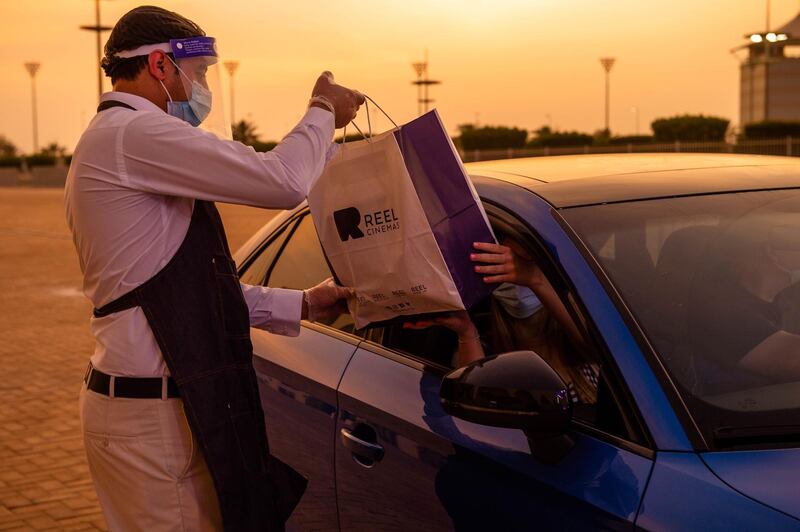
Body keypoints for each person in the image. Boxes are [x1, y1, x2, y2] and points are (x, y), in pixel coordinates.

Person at [64, 6, 364, 530]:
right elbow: (283, 182)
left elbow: (185, 291)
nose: (201, 88)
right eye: (198, 74)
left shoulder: (121, 139)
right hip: (151, 417)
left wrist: (304, 303)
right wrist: (321, 109)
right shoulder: (133, 135)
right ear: (160, 65)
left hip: (151, 409)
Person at [406, 238, 598, 404]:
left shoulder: (584, 347)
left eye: (523, 264)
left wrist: (535, 279)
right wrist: (466, 332)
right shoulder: (486, 351)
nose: (517, 277)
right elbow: (477, 402)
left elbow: (598, 348)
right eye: (502, 267)